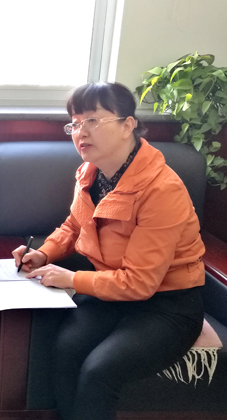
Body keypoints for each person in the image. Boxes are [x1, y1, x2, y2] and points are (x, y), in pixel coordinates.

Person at [13, 82, 205, 420]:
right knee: (66, 351)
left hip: (167, 305)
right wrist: (43, 253)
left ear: (127, 125)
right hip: (110, 292)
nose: (80, 132)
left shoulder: (162, 189)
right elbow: (74, 225)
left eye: (92, 120)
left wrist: (71, 278)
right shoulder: (90, 172)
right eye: (75, 123)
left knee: (99, 371)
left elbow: (141, 283)